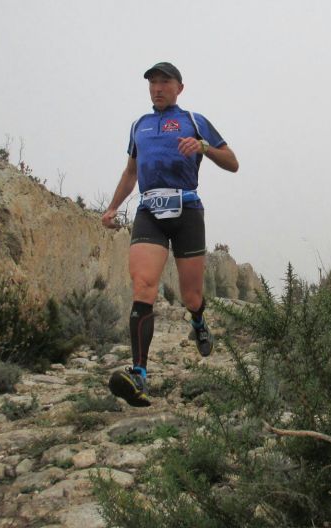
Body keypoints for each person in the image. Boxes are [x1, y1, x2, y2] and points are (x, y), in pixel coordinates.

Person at [102, 62, 239, 407]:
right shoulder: (139, 126)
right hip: (149, 211)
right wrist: (113, 206)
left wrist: (204, 148)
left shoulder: (194, 120)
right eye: (152, 82)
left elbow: (233, 161)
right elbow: (131, 171)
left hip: (188, 210)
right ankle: (139, 375)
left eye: (165, 82)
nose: (157, 88)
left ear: (180, 87)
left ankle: (198, 320)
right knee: (143, 286)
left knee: (191, 295)